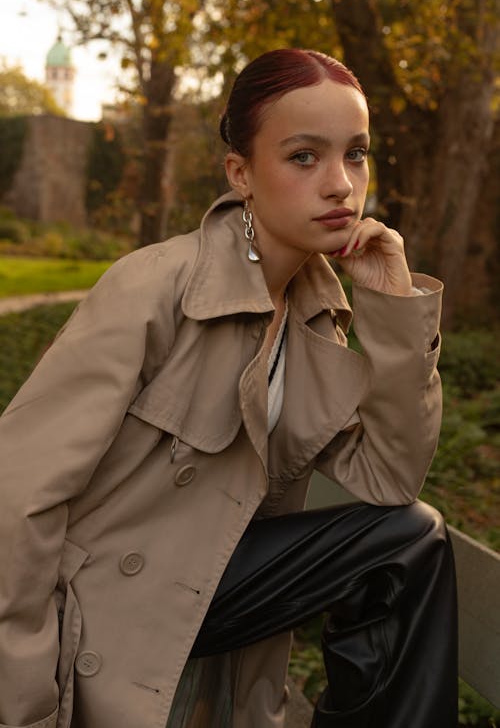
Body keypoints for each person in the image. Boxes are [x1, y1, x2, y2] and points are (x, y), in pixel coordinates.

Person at [0, 48, 457, 728]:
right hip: (102, 603)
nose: (340, 184)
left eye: (355, 154)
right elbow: (17, 497)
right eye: (304, 157)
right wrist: (25, 706)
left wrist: (392, 307)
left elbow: (391, 479)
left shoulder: (313, 309)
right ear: (241, 173)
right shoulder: (155, 286)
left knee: (410, 536)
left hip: (206, 586)